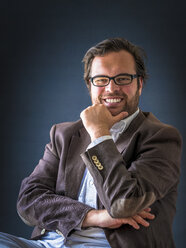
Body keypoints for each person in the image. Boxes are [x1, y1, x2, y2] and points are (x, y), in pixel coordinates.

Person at [0, 38, 182, 248]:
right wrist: (93, 216)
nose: (111, 88)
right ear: (90, 85)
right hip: (51, 243)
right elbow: (28, 201)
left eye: (122, 78)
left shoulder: (161, 137)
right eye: (101, 79)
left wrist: (99, 133)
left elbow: (124, 204)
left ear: (139, 84)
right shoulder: (64, 134)